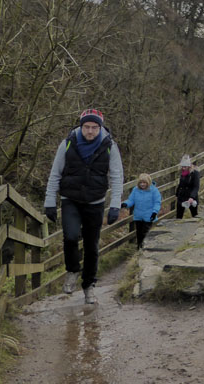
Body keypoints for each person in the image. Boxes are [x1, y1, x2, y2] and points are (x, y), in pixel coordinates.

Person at [43, 108, 123, 304]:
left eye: (94, 127)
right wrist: (49, 202)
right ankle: (72, 270)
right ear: (81, 126)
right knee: (70, 236)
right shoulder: (68, 143)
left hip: (95, 202)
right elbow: (55, 174)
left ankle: (89, 286)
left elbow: (116, 176)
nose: (90, 131)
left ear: (100, 127)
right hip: (70, 199)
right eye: (86, 127)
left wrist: (115, 205)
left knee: (91, 246)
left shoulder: (110, 146)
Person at [121, 173, 162, 249]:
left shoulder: (154, 191)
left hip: (149, 215)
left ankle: (145, 248)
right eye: (141, 183)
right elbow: (131, 200)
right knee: (139, 233)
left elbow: (157, 202)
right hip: (138, 215)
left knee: (145, 232)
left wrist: (154, 212)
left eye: (144, 183)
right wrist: (125, 204)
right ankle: (139, 247)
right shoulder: (135, 190)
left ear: (148, 182)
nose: (142, 184)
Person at [175, 154, 200, 218]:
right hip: (182, 196)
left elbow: (196, 186)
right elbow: (181, 184)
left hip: (191, 196)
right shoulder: (182, 174)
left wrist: (192, 197)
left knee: (194, 215)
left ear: (189, 166)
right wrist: (177, 194)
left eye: (185, 167)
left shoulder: (195, 173)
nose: (183, 168)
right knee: (179, 216)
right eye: (182, 167)